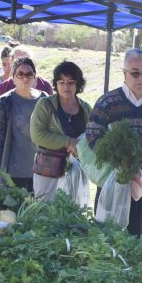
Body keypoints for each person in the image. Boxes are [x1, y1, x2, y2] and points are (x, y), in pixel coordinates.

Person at [86, 49, 142, 237]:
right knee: (106, 239)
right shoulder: (107, 102)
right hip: (113, 183)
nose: (140, 77)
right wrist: (118, 158)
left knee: (136, 241)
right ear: (124, 73)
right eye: (135, 72)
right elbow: (92, 135)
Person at [30, 61, 92, 200]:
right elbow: (37, 135)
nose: (66, 86)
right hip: (48, 170)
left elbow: (93, 137)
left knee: (72, 213)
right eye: (62, 81)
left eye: (71, 82)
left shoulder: (86, 109)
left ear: (78, 84)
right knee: (44, 212)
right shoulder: (45, 104)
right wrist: (68, 142)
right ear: (56, 84)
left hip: (76, 170)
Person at [0, 45, 52, 160]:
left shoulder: (45, 87)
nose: (23, 66)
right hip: (11, 146)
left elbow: (51, 122)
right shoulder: (4, 88)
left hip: (37, 148)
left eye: (27, 61)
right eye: (17, 62)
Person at [0, 57, 46, 191]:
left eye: (29, 74)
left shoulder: (44, 100)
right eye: (20, 74)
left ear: (35, 77)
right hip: (12, 170)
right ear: (13, 78)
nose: (25, 78)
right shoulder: (4, 101)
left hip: (40, 169)